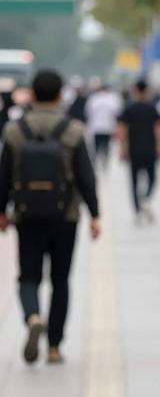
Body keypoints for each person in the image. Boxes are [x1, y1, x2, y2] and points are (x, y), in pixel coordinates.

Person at [0, 68, 101, 365]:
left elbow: (3, 175)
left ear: (32, 94)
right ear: (59, 95)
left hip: (26, 215)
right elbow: (86, 177)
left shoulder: (15, 131)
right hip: (65, 216)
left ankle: (32, 317)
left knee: (28, 276)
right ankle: (54, 346)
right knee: (60, 279)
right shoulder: (73, 130)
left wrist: (1, 212)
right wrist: (95, 214)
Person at [117, 78, 160, 223]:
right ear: (147, 90)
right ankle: (147, 198)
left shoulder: (129, 108)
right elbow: (159, 129)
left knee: (134, 181)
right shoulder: (152, 108)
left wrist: (122, 148)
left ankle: (138, 209)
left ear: (135, 90)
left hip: (134, 150)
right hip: (150, 149)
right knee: (153, 178)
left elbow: (122, 130)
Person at [84, 82, 122, 169]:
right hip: (108, 127)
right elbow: (117, 112)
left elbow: (88, 112)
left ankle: (95, 161)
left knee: (96, 145)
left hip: (96, 127)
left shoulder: (93, 98)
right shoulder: (113, 98)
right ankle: (105, 160)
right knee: (106, 145)